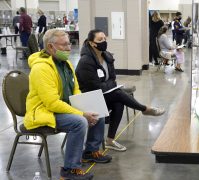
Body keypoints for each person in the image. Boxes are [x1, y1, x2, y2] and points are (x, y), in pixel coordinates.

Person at [24, 29, 112, 180]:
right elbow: (52, 103)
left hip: (62, 107)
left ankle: (90, 151)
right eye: (64, 45)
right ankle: (69, 170)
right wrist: (81, 113)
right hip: (45, 112)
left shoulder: (66, 64)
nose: (69, 48)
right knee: (79, 122)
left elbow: (75, 88)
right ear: (51, 47)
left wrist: (85, 107)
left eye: (69, 44)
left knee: (97, 111)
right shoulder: (41, 68)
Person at [75, 29, 166, 151]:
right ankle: (145, 109)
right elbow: (94, 87)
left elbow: (112, 79)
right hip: (91, 98)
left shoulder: (107, 56)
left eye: (104, 39)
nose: (103, 41)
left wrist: (108, 85)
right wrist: (109, 85)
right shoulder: (86, 61)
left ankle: (109, 140)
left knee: (119, 102)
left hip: (105, 94)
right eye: (100, 40)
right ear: (92, 43)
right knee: (117, 94)